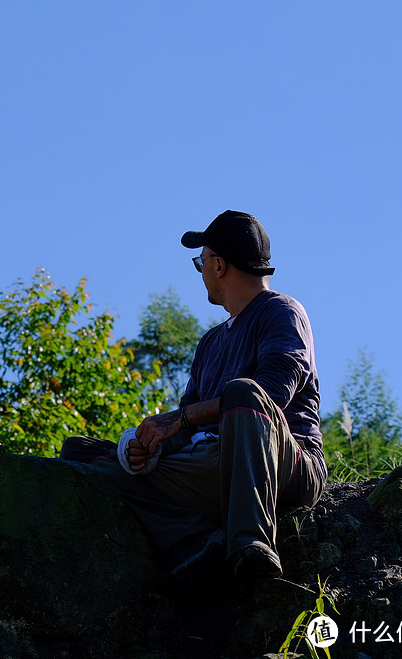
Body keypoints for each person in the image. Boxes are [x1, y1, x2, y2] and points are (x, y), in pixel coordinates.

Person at [60, 210, 327, 589]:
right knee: (82, 455)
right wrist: (145, 449)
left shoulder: (282, 312)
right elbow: (188, 425)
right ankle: (195, 541)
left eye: (200, 261)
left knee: (244, 391)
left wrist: (180, 420)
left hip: (284, 464)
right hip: (213, 466)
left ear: (218, 266)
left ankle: (251, 544)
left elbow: (272, 394)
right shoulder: (211, 342)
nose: (200, 270)